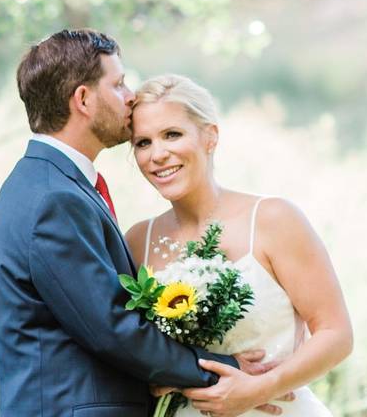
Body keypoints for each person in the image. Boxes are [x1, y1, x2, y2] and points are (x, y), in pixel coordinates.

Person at [0, 30, 282, 416]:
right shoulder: (54, 199)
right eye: (119, 83)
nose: (130, 97)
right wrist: (224, 370)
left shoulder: (49, 185)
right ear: (83, 99)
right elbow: (110, 328)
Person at [126, 74, 354, 417]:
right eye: (142, 142)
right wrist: (161, 379)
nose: (157, 154)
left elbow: (336, 334)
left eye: (172, 134)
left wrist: (259, 388)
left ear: (210, 137)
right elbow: (127, 346)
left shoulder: (273, 219)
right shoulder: (137, 241)